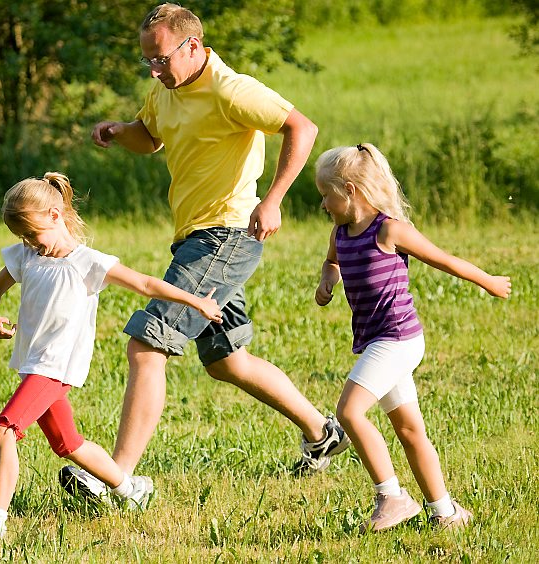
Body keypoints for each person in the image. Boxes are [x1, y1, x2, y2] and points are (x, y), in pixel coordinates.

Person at [60, 3, 348, 502]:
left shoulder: (231, 89)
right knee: (227, 361)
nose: (154, 68)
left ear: (192, 46)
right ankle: (323, 433)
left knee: (147, 344)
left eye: (161, 58)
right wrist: (119, 132)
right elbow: (150, 137)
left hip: (226, 235)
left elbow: (303, 128)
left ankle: (118, 478)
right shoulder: (165, 88)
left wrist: (273, 198)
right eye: (147, 60)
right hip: (195, 237)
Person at [0, 172, 223, 541]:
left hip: (54, 368)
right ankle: (131, 490)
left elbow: (145, 283)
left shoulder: (88, 263)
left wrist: (195, 301)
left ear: (55, 215)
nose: (30, 243)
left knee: (5, 429)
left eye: (33, 234)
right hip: (32, 365)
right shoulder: (27, 256)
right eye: (23, 238)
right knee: (68, 443)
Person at [314, 143, 511, 532]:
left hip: (399, 339)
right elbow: (333, 261)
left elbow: (445, 260)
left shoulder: (389, 229)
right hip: (376, 341)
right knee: (408, 430)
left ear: (351, 189)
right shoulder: (340, 233)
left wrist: (487, 280)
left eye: (326, 195)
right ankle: (446, 513)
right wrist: (327, 280)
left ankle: (392, 496)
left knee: (349, 412)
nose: (323, 204)